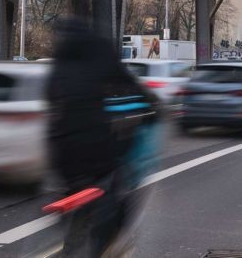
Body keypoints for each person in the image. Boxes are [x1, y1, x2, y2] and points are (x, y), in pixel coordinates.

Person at [47, 17, 159, 257]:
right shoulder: (100, 51)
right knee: (118, 188)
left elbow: (51, 101)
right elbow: (127, 84)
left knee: (71, 194)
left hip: (63, 154)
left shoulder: (59, 61)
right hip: (97, 149)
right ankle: (107, 246)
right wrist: (152, 107)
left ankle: (70, 244)